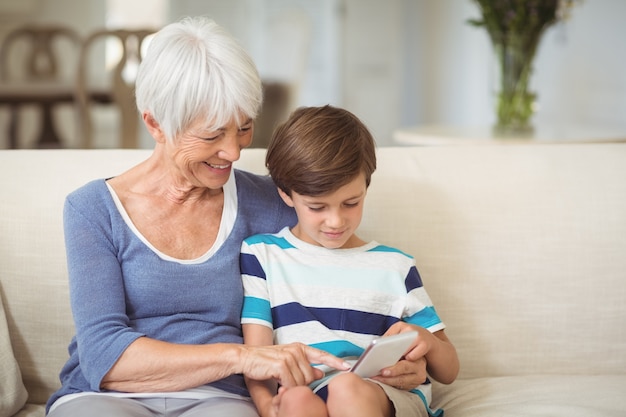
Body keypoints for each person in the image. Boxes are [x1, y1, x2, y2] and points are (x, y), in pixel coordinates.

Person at [45, 17, 352, 417]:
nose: (234, 152)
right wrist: (241, 357)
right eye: (211, 135)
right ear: (155, 123)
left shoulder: (270, 202)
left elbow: (344, 278)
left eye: (244, 128)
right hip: (102, 397)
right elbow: (104, 356)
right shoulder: (92, 209)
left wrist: (393, 351)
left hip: (220, 398)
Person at [240, 105, 459, 417]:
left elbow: (449, 370)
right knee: (295, 400)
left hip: (385, 394)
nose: (335, 221)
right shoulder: (262, 255)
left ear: (366, 186)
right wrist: (266, 406)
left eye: (351, 203)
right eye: (317, 207)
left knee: (345, 388)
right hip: (309, 391)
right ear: (286, 194)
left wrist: (424, 340)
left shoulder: (395, 265)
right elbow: (257, 356)